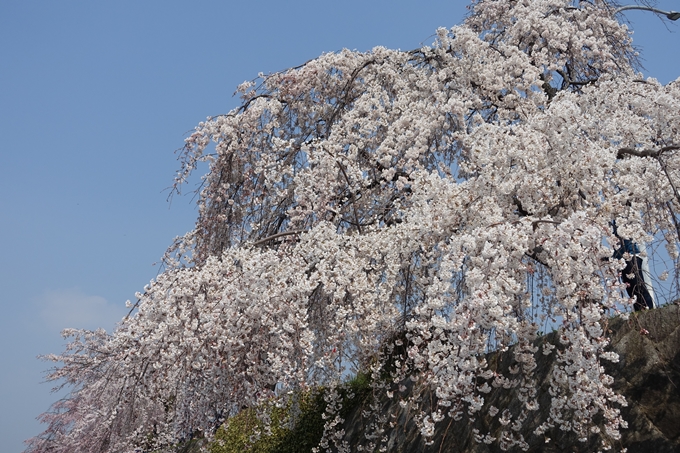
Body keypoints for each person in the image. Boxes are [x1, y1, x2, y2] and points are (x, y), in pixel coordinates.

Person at [612, 224, 656, 311]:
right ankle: (639, 310)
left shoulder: (625, 225)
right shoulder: (615, 235)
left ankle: (649, 309)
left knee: (638, 286)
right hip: (621, 260)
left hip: (631, 257)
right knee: (631, 289)